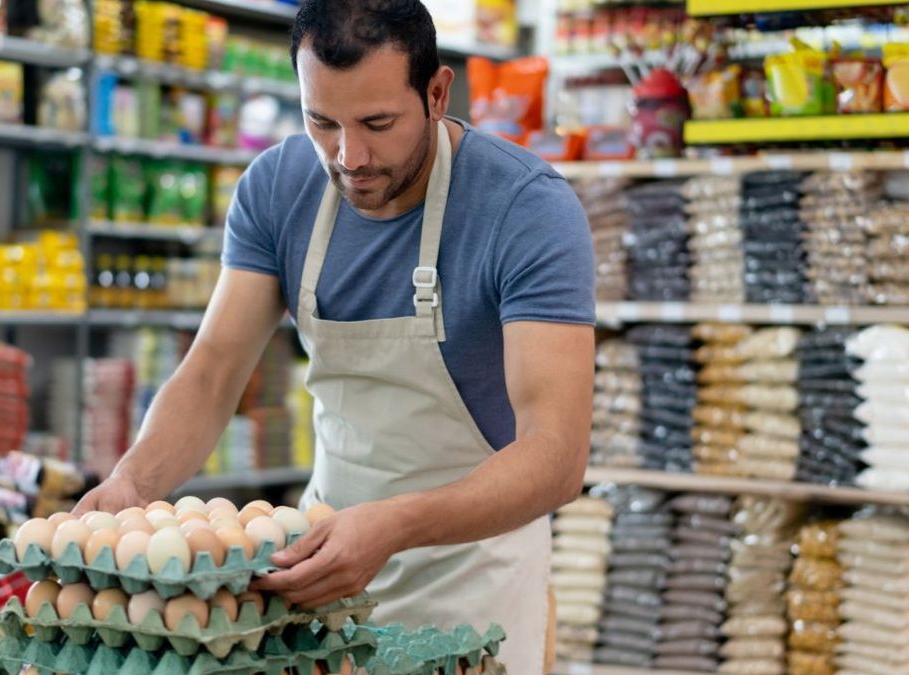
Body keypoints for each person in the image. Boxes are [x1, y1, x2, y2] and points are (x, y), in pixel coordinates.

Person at [73, 0, 595, 670]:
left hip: (472, 581)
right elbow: (210, 376)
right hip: (320, 568)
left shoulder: (524, 209)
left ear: (437, 93)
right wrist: (132, 481)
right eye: (322, 121)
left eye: (377, 123)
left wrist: (393, 525)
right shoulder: (279, 188)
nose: (349, 156)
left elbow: (556, 454)